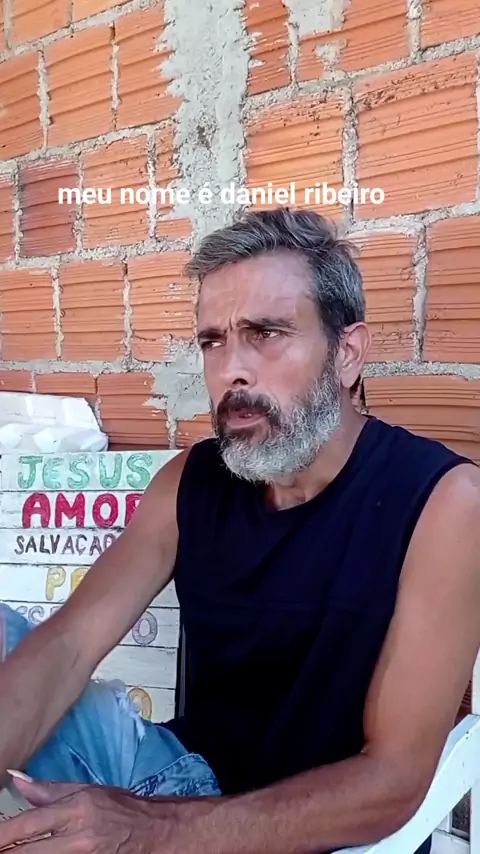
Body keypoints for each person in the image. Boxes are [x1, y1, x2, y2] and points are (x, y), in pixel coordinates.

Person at [0, 207, 480, 854]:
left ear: (346, 354)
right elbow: (68, 646)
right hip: (181, 783)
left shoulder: (444, 503)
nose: (231, 370)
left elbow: (392, 781)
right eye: (213, 342)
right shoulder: (190, 481)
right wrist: (150, 821)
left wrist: (148, 832)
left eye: (266, 334)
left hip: (325, 831)